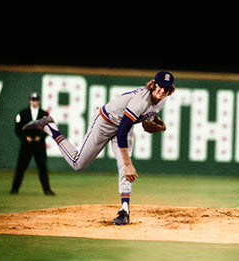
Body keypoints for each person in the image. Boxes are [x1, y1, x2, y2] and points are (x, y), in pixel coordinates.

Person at [23, 71, 176, 225]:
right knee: (79, 164)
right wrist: (128, 163)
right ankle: (50, 127)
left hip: (123, 125)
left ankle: (125, 211)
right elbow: (122, 129)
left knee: (124, 165)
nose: (162, 91)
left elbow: (139, 119)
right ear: (154, 84)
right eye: (160, 86)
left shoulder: (162, 100)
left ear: (170, 90)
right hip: (105, 122)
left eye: (166, 88)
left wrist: (151, 120)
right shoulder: (140, 100)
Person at [11, 92, 55, 195]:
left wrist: (41, 137)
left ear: (38, 101)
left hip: (39, 145)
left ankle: (47, 190)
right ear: (30, 100)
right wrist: (25, 137)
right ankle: (14, 188)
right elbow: (18, 129)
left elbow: (49, 128)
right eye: (32, 100)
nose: (34, 102)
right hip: (26, 144)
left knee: (42, 167)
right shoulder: (23, 113)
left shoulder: (44, 114)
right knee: (21, 167)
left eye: (35, 100)